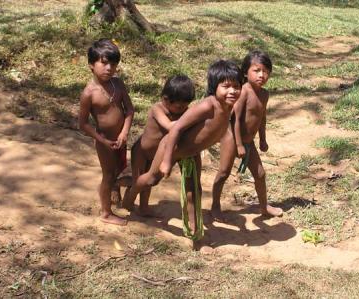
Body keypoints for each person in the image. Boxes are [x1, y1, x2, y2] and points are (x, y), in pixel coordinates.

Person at [122, 60, 242, 243]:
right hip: (172, 147)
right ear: (213, 87)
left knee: (194, 191)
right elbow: (176, 130)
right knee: (151, 179)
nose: (232, 91)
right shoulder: (207, 106)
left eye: (236, 86)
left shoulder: (229, 107)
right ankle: (130, 197)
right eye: (226, 86)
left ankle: (195, 234)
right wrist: (167, 160)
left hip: (191, 154)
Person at [211, 50, 283, 222]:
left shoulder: (264, 94)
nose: (262, 75)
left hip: (248, 141)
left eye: (266, 71)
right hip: (232, 138)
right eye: (256, 70)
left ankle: (264, 207)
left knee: (260, 174)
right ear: (245, 72)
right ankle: (215, 206)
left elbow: (262, 117)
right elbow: (234, 119)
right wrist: (238, 145)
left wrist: (263, 139)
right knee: (223, 173)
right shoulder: (243, 92)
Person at [78, 38, 135, 226]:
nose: (109, 68)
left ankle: (110, 190)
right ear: (91, 66)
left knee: (119, 168)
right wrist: (101, 140)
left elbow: (129, 110)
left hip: (120, 138)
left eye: (113, 64)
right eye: (104, 63)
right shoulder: (89, 93)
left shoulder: (117, 84)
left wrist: (124, 132)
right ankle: (106, 213)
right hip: (104, 141)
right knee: (108, 175)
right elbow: (83, 124)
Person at [126, 75, 195, 216]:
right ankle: (119, 189)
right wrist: (189, 120)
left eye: (186, 105)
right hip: (141, 151)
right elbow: (169, 126)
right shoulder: (157, 109)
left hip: (156, 155)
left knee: (149, 183)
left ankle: (143, 207)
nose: (183, 109)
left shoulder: (184, 112)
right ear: (165, 99)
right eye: (179, 106)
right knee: (137, 181)